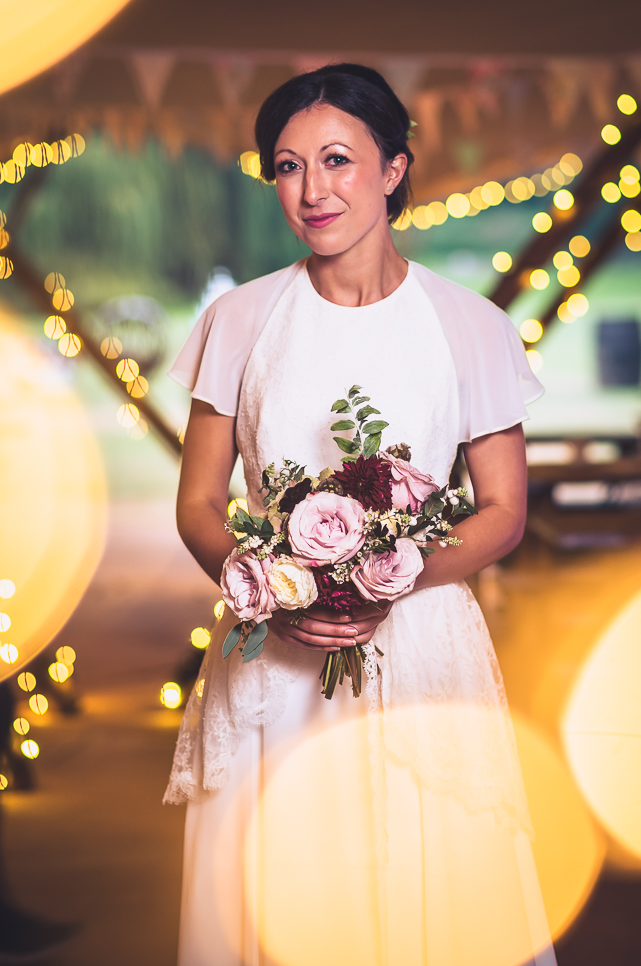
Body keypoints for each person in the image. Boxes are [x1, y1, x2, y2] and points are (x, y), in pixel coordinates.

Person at [166, 63, 556, 966]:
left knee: (429, 891)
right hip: (272, 650)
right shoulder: (240, 320)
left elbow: (502, 511)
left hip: (420, 646)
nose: (312, 189)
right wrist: (276, 587)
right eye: (288, 166)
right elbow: (197, 504)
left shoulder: (471, 326)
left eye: (338, 160)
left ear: (393, 169)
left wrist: (392, 576)